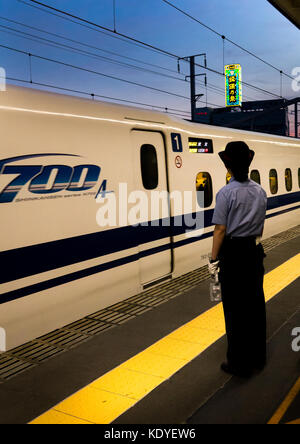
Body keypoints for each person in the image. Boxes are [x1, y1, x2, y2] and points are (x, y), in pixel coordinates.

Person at [209, 141, 268, 378]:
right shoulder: (260, 191)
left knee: (234, 310)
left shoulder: (225, 193)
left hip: (232, 256)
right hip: (254, 253)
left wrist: (213, 259)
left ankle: (238, 362)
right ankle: (258, 358)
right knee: (255, 307)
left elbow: (220, 230)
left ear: (228, 166)